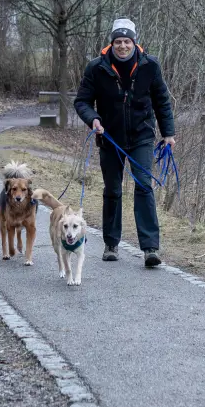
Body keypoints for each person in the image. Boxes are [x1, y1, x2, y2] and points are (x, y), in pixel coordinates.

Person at [73, 17, 175, 267]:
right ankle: (111, 244)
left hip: (142, 136)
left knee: (144, 187)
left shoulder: (150, 65)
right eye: (118, 41)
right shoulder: (96, 67)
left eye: (127, 41)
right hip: (109, 137)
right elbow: (82, 101)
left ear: (134, 42)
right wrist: (93, 120)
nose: (122, 46)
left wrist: (168, 133)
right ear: (112, 43)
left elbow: (162, 100)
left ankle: (150, 248)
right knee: (113, 190)